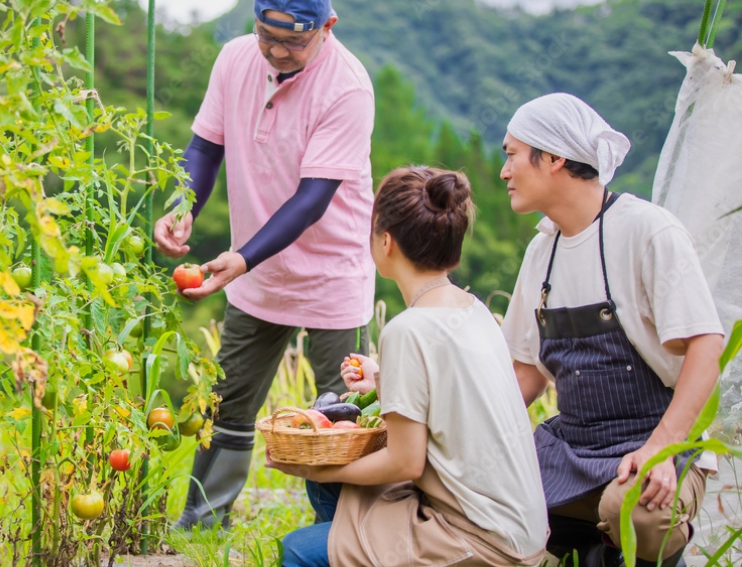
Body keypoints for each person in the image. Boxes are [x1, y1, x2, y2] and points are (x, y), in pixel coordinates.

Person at [153, 0, 376, 529]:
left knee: (342, 414)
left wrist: (244, 256)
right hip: (256, 273)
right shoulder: (233, 60)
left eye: (294, 42)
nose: (277, 51)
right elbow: (204, 149)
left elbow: (312, 198)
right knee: (226, 400)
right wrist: (182, 208)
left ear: (327, 27)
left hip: (331, 275)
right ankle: (204, 520)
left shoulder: (348, 87)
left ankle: (350, 532)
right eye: (265, 36)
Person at [270, 167, 549, 567]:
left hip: (481, 541)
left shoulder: (407, 329)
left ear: (385, 241)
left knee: (297, 549)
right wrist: (384, 377)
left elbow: (406, 462)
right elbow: (449, 393)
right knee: (332, 493)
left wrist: (313, 471)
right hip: (520, 529)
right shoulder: (475, 310)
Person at [499, 93, 725, 567]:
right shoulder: (542, 253)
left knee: (637, 515)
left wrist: (663, 447)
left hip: (659, 443)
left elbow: (707, 347)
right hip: (573, 446)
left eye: (512, 154)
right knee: (480, 490)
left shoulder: (647, 231)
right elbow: (525, 376)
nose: (504, 171)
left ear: (555, 157)